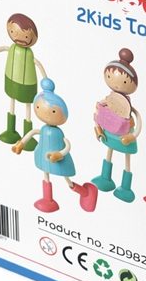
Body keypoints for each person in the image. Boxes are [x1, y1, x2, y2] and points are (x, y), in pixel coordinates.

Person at [13, 79, 98, 213]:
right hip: (43, 156)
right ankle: (48, 199)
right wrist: (21, 144)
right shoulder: (43, 129)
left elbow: (67, 145)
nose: (45, 112)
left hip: (59, 160)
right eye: (38, 107)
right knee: (45, 176)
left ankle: (84, 192)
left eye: (53, 111)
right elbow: (32, 133)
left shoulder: (58, 133)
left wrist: (60, 154)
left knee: (67, 180)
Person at [0, 13, 46, 150]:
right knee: (11, 103)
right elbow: (1, 49)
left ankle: (27, 137)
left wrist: (46, 82)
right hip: (11, 79)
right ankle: (10, 131)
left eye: (25, 36)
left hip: (27, 84)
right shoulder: (11, 48)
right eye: (13, 32)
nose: (19, 38)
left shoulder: (29, 54)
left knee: (27, 107)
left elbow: (38, 64)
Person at [90, 48, 143, 202]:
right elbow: (100, 110)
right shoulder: (109, 99)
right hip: (109, 130)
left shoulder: (127, 105)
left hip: (125, 135)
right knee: (109, 151)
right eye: (109, 76)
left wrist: (133, 135)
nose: (117, 83)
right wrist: (98, 124)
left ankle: (125, 188)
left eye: (125, 82)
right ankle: (105, 178)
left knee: (127, 159)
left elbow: (138, 117)